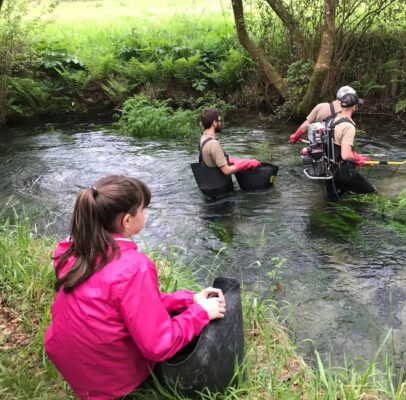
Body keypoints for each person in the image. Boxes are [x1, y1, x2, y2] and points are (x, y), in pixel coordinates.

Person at [44, 175, 227, 399]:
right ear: (127, 221)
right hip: (110, 380)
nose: (145, 214)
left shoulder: (73, 248)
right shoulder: (133, 267)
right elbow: (158, 345)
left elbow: (128, 302)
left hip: (74, 365)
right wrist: (201, 313)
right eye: (143, 209)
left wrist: (189, 300)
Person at [196, 108, 261, 198]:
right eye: (220, 120)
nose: (221, 123)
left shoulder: (203, 138)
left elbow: (213, 160)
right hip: (222, 195)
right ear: (214, 123)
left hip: (211, 191)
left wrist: (237, 161)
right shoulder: (213, 144)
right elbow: (226, 170)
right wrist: (248, 163)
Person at [325, 92, 376, 200]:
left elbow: (336, 146)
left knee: (332, 203)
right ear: (354, 107)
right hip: (342, 172)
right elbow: (346, 155)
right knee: (372, 196)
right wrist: (358, 159)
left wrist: (359, 157)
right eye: (357, 105)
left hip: (328, 171)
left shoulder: (331, 119)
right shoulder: (348, 126)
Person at [289, 85, 359, 144]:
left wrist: (295, 136)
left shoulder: (320, 106)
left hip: (319, 148)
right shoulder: (347, 112)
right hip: (335, 152)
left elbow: (306, 125)